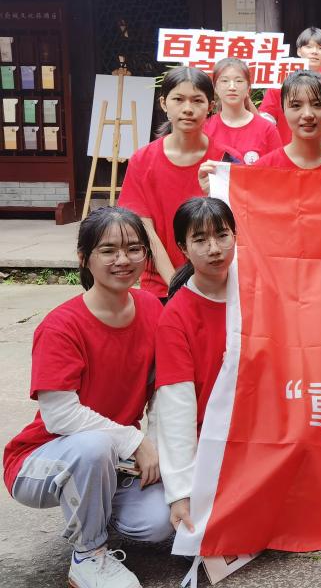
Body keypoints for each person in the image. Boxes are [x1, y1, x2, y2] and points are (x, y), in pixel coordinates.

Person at [3, 206, 173, 588]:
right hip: (41, 460)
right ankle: (88, 556)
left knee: (157, 524)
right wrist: (135, 441)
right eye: (108, 250)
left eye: (133, 249)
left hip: (114, 460)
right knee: (94, 446)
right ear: (84, 258)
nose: (123, 260)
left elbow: (163, 389)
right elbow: (60, 417)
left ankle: (93, 508)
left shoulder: (151, 308)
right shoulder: (61, 326)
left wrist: (157, 446)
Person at [154, 197, 236, 537]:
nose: (214, 249)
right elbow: (176, 408)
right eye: (200, 240)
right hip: (212, 442)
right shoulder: (176, 316)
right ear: (182, 248)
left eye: (222, 235)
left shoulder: (257, 291)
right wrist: (181, 492)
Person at [119, 66, 238, 298]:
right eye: (178, 99)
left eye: (197, 100)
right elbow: (145, 230)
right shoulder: (142, 160)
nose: (188, 109)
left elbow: (237, 225)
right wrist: (175, 283)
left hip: (219, 285)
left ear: (211, 106)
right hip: (161, 287)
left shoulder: (226, 160)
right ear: (164, 104)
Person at [258, 27, 321, 145]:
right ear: (299, 51)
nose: (314, 51)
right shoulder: (279, 86)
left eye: (320, 48)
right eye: (308, 47)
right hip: (287, 151)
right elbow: (265, 122)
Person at [203, 57, 281, 166]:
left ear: (248, 87)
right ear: (215, 87)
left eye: (239, 81)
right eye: (224, 81)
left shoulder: (267, 129)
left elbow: (278, 170)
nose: (232, 87)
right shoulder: (205, 128)